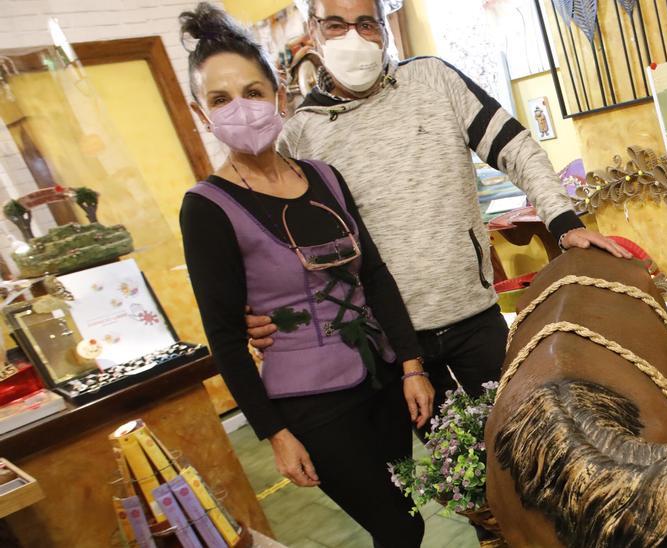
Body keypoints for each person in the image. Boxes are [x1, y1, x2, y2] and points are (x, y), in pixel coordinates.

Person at [245, 0, 631, 416]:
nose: (353, 38)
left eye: (366, 24)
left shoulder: (433, 79)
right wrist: (267, 311)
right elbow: (282, 244)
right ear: (313, 30)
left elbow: (515, 148)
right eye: (336, 25)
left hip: (473, 315)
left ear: (385, 29)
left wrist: (563, 221)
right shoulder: (301, 134)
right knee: (453, 469)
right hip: (395, 345)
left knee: (528, 429)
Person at [176, 4, 427, 546]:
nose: (240, 108)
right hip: (311, 403)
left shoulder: (324, 177)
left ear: (278, 95)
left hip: (380, 375)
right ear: (202, 114)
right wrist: (274, 433)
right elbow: (224, 336)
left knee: (409, 517)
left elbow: (375, 275)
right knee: (399, 528)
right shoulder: (207, 208)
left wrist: (410, 365)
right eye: (220, 99)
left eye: (252, 92)